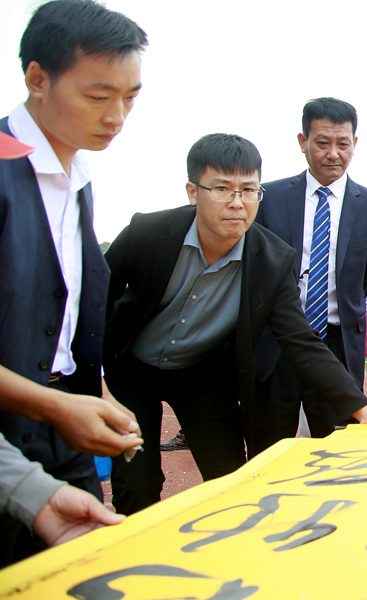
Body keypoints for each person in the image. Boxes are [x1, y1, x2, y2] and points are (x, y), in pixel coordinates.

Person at [103, 134, 367, 516]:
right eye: (222, 189)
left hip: (201, 374)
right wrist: (94, 381)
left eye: (249, 190)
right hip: (131, 372)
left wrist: (361, 408)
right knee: (136, 483)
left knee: (230, 479)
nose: (237, 203)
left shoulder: (272, 259)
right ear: (193, 191)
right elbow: (93, 300)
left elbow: (300, 338)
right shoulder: (148, 233)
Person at [0, 0, 147, 567]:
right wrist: (55, 405)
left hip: (66, 433)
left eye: (130, 98)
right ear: (37, 78)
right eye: (97, 95)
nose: (116, 116)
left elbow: (62, 320)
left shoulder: (79, 183)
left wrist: (92, 395)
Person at [254, 97, 367, 438]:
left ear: (354, 144)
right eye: (322, 143)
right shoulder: (267, 199)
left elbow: (362, 280)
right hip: (276, 343)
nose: (333, 154)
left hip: (338, 344)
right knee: (268, 447)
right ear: (303, 143)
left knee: (337, 448)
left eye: (343, 144)